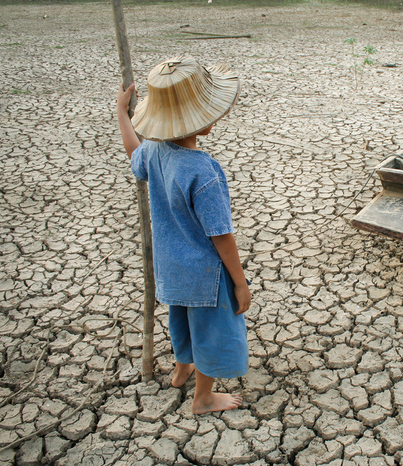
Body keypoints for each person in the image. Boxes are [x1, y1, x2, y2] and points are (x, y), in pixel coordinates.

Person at [116, 55, 250, 415]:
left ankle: (181, 370)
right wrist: (239, 281)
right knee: (209, 330)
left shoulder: (155, 151)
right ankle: (203, 397)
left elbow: (134, 154)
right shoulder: (203, 170)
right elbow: (221, 234)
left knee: (181, 320)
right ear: (204, 120)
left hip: (170, 267)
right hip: (205, 273)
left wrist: (121, 115)